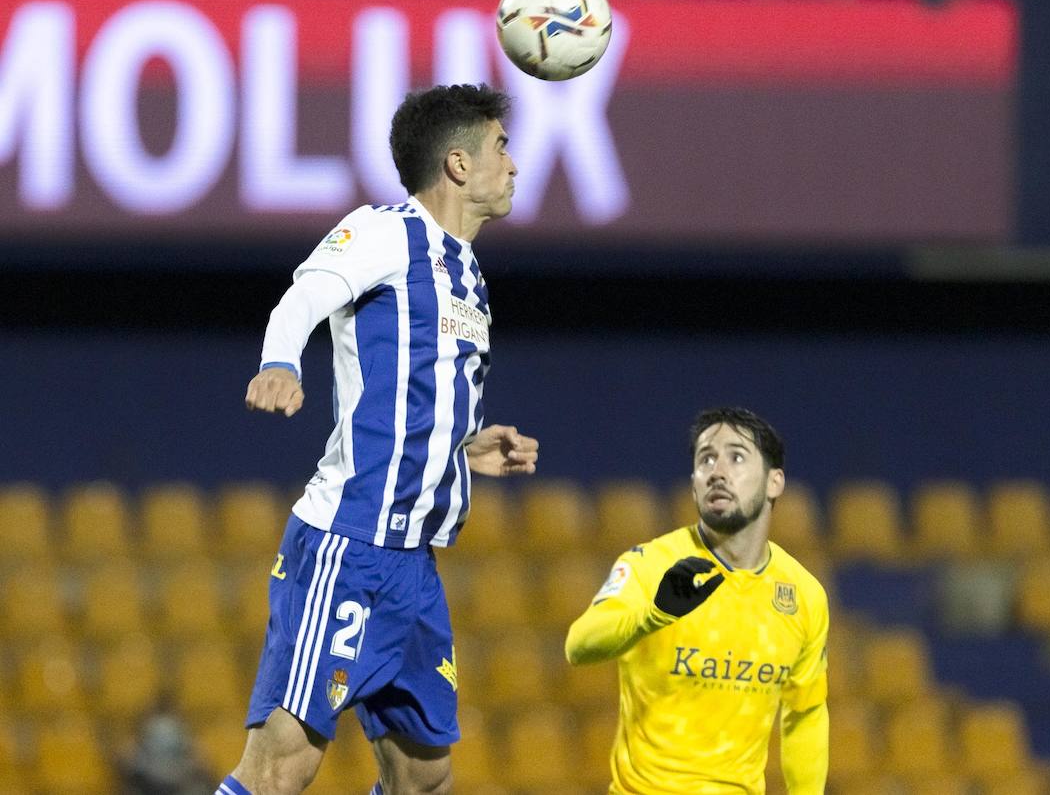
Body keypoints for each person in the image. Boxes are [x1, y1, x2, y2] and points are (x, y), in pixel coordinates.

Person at [221, 83, 540, 795]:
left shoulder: (467, 273)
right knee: (281, 766)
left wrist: (463, 445)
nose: (514, 165)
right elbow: (304, 294)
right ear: (458, 165)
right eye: (501, 147)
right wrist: (279, 361)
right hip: (350, 544)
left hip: (413, 569)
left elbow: (407, 392)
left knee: (424, 775)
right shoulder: (386, 231)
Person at [565, 407, 829, 794]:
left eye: (736, 457)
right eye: (706, 458)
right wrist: (654, 615)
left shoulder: (803, 595)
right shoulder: (651, 565)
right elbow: (579, 645)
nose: (717, 471)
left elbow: (805, 714)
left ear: (775, 483)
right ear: (693, 482)